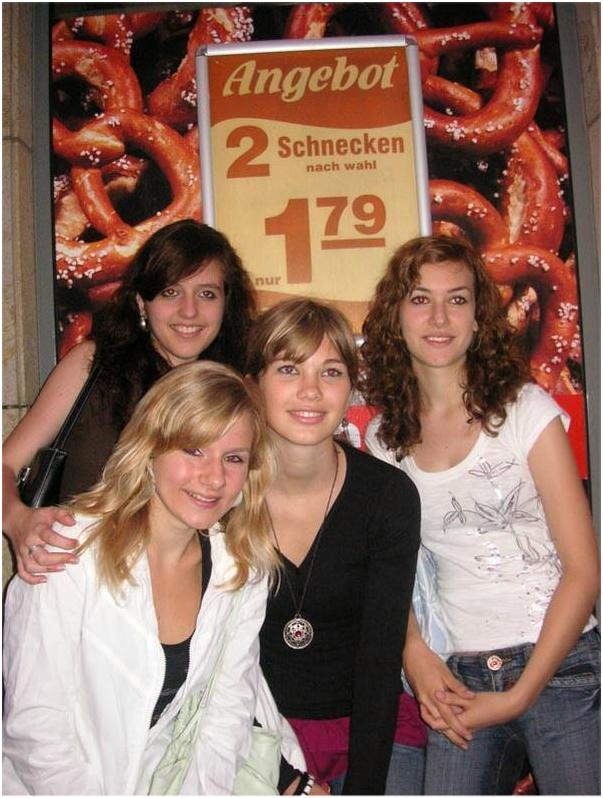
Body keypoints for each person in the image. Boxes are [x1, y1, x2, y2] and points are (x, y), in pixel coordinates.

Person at [361, 235, 600, 795]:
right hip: (457, 678)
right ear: (396, 316)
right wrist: (413, 652)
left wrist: (520, 695)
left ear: (478, 317)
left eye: (457, 299)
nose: (439, 318)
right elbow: (390, 573)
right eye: (420, 299)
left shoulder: (525, 410)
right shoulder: (383, 441)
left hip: (562, 666)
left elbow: (584, 571)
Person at [3, 361, 308, 794]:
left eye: (234, 458)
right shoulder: (67, 551)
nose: (214, 477)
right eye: (194, 450)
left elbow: (226, 717)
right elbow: (36, 729)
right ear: (150, 450)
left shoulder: (240, 571)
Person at [3, 219, 256, 584]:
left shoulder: (238, 391)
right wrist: (18, 520)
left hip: (192, 591)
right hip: (79, 586)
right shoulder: (91, 366)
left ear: (226, 304)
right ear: (142, 302)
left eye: (206, 294)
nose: (189, 311)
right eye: (170, 292)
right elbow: (5, 465)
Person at [246, 298, 423, 795]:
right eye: (288, 369)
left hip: (372, 728)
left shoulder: (386, 496)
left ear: (350, 388)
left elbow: (380, 660)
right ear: (253, 384)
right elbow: (213, 663)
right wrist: (286, 779)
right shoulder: (222, 495)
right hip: (258, 732)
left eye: (331, 372)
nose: (311, 390)